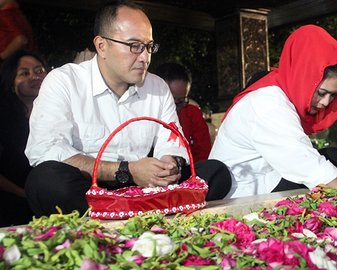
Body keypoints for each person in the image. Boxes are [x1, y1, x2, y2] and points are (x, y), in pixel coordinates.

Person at [24, 0, 231, 217]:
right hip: (89, 193)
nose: (145, 57)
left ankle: (141, 211)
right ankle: (141, 214)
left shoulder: (157, 87)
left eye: (149, 47)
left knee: (215, 172)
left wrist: (170, 164)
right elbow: (45, 150)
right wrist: (127, 171)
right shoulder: (64, 81)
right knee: (45, 179)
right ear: (102, 46)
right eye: (134, 46)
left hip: (146, 190)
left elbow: (172, 143)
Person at [209, 25, 337, 198]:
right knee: (333, 163)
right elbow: (307, 165)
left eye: (333, 95)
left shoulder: (279, 94)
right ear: (303, 77)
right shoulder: (267, 103)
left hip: (268, 180)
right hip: (242, 195)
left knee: (333, 159)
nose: (325, 102)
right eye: (321, 93)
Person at [0, 50, 48, 226]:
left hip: (53, 198)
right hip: (13, 202)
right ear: (11, 82)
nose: (34, 77)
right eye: (24, 73)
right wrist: (24, 194)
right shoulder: (4, 118)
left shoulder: (61, 113)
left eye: (39, 70)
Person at [155, 63, 212, 162]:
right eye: (171, 101)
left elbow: (203, 156)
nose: (174, 107)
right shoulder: (144, 113)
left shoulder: (192, 114)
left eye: (181, 101)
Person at [0, 0, 35, 65]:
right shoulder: (18, 14)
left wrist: (1, 58)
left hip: (8, 64)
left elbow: (21, 40)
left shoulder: (4, 14)